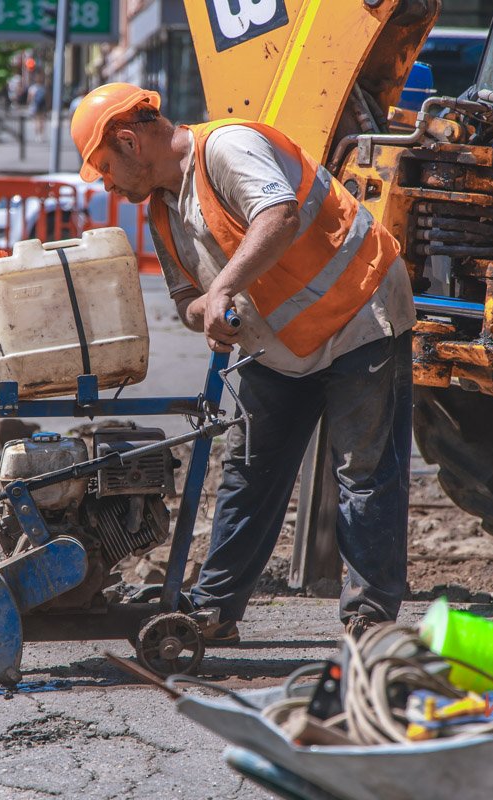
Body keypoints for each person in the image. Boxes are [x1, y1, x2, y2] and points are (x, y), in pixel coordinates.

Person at [69, 83, 415, 642]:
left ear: (130, 141)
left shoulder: (226, 148)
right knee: (249, 472)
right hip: (278, 344)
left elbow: (275, 214)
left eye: (104, 168)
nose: (106, 184)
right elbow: (188, 301)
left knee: (364, 471)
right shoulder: (162, 209)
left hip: (360, 313)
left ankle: (369, 622)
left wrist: (225, 288)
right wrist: (207, 310)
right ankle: (216, 612)